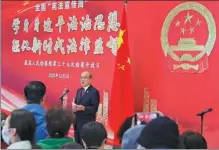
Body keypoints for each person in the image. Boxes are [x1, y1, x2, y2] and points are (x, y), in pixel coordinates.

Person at [73, 71, 100, 144]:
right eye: (81, 78)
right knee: (77, 145)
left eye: (85, 78)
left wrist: (84, 108)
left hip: (87, 125)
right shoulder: (79, 90)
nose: (82, 80)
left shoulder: (94, 92)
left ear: (90, 79)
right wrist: (74, 108)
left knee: (85, 145)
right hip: (77, 123)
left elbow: (95, 109)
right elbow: (76, 103)